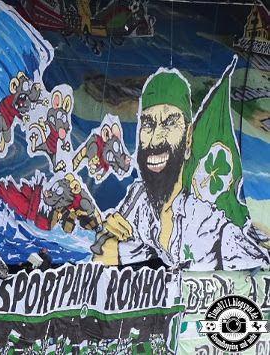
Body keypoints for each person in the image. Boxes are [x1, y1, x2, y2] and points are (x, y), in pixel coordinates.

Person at [95, 70, 269, 270]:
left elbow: (251, 256)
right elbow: (105, 255)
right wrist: (106, 242)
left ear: (188, 138)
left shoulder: (206, 222)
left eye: (170, 123)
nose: (155, 139)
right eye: (148, 124)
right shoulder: (139, 199)